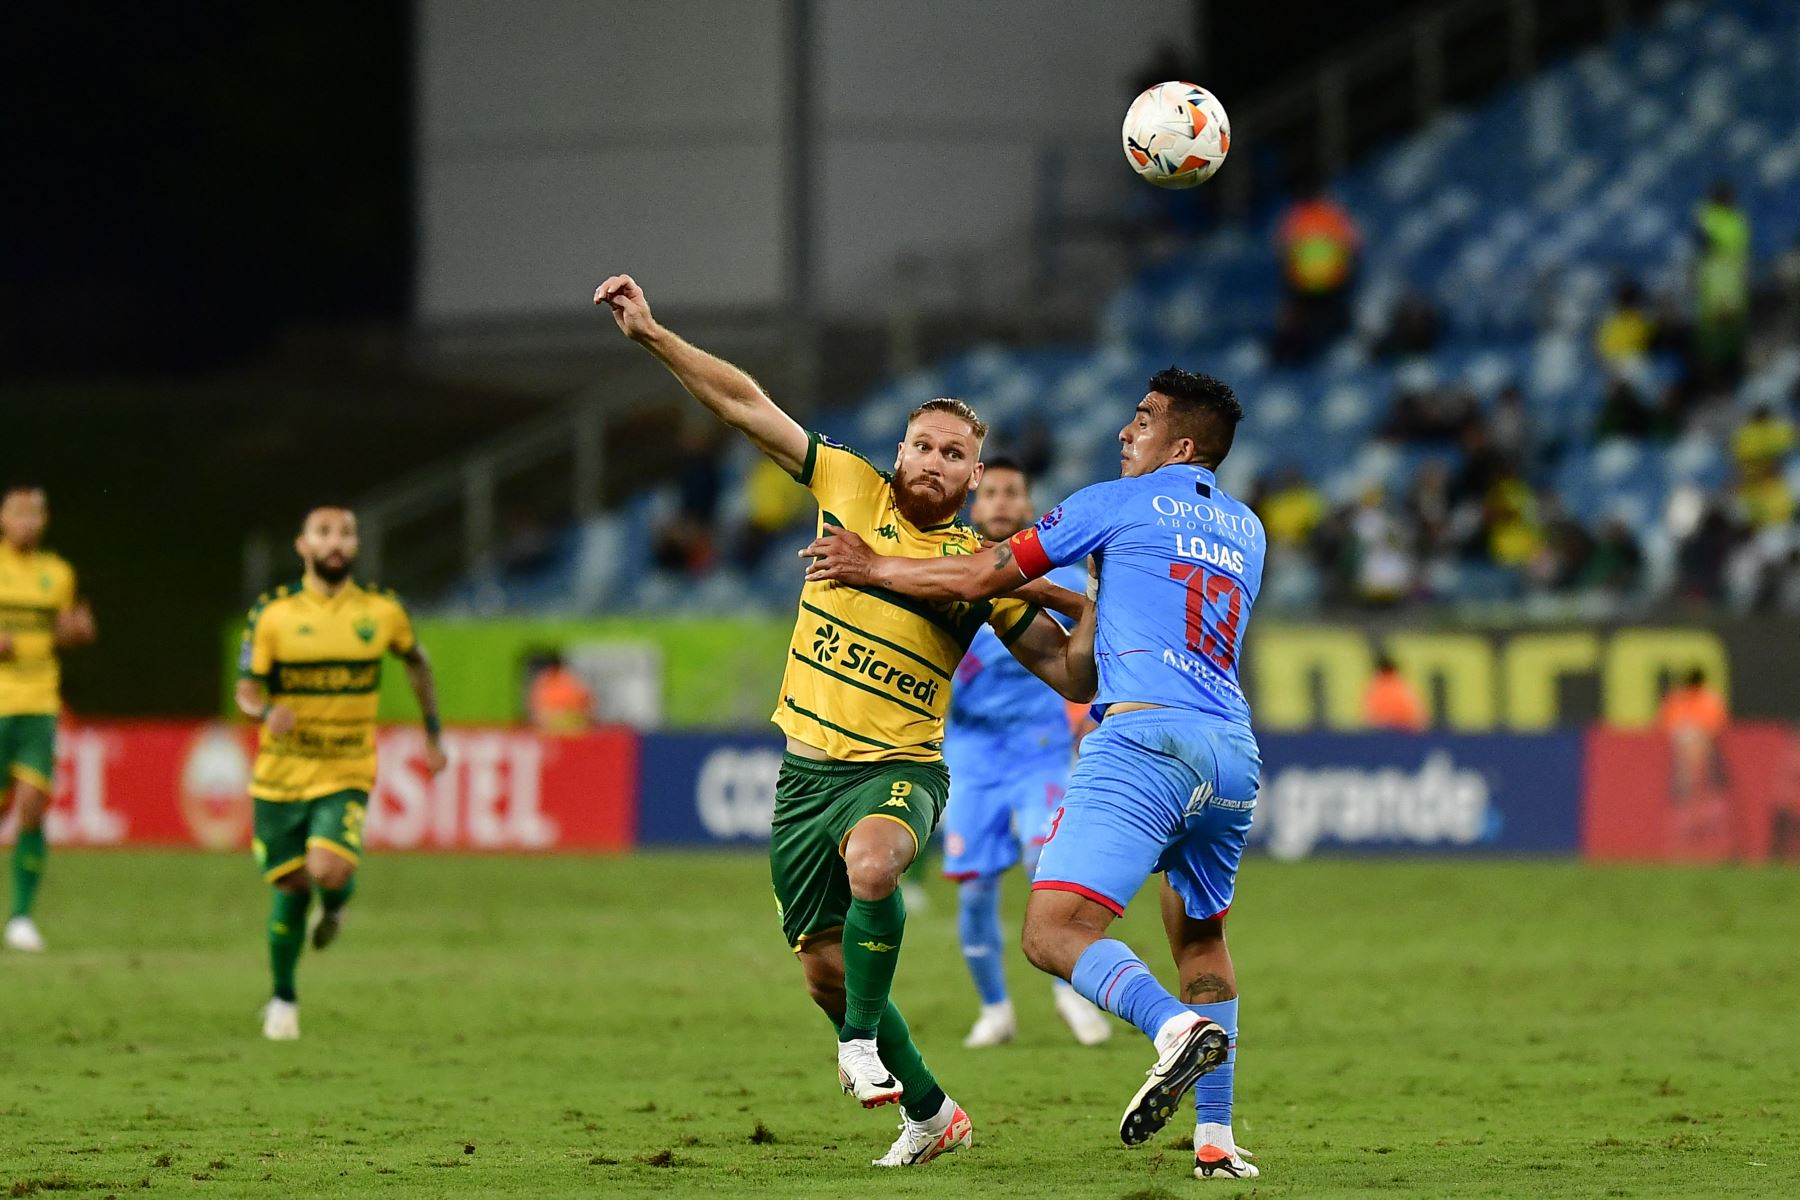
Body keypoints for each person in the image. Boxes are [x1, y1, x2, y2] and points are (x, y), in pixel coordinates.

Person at [594, 273, 1095, 1169]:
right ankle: (935, 1114)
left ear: (976, 478)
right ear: (898, 451)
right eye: (924, 445)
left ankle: (857, 1047)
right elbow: (747, 405)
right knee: (825, 971)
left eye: (955, 454)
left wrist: (1091, 601)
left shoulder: (976, 568)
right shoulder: (851, 489)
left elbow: (1067, 667)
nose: (935, 462)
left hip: (899, 768)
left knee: (876, 862)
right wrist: (653, 335)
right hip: (805, 775)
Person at [804, 367, 1265, 1181]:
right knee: (1201, 933)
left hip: (1142, 743)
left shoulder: (1114, 503)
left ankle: (1169, 1029)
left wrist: (874, 567)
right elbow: (1123, 610)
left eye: (1144, 419)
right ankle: (1217, 1139)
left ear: (1181, 444)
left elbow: (985, 578)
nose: (1126, 431)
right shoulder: (1246, 530)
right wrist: (1083, 596)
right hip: (1231, 753)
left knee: (1053, 932)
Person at [234, 505, 448, 1040]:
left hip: (346, 766)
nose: (336, 542)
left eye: (346, 533)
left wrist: (433, 733)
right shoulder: (273, 613)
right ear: (302, 545)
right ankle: (283, 994)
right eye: (324, 532)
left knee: (327, 869)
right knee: (290, 883)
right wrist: (265, 713)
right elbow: (247, 689)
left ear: (355, 547)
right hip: (280, 773)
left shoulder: (382, 611)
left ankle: (333, 905)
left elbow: (417, 663)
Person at [942, 457, 1112, 1049]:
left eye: (1013, 492)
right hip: (970, 754)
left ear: (1028, 503)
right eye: (990, 492)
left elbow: (1091, 644)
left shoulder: (1055, 570)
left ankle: (1070, 988)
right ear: (973, 502)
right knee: (974, 884)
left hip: (1040, 748)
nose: (1001, 502)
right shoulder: (948, 566)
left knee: (1049, 866)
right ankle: (995, 1010)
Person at [0, 485, 97, 952]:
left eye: (36, 514)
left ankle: (20, 917)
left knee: (33, 807)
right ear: (3, 519)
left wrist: (77, 632)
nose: (28, 522)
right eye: (19, 514)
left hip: (39, 702)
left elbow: (66, 628)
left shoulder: (57, 573)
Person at [527, 651, 595, 734]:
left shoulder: (569, 681)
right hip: (549, 729)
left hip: (573, 728)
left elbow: (587, 706)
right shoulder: (541, 685)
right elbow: (537, 712)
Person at [1362, 653, 1426, 732]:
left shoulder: (1376, 687)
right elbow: (1417, 714)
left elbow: (1370, 717)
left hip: (1388, 732)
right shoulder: (1402, 686)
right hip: (1406, 732)